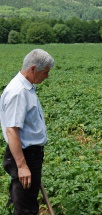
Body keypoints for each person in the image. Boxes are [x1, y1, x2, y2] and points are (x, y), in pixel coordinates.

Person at [0, 49, 54, 215]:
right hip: (24, 155)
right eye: (45, 73)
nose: (46, 77)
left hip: (30, 155)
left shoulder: (26, 87)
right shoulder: (18, 92)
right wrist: (23, 166)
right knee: (26, 210)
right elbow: (12, 131)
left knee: (27, 203)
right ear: (33, 69)